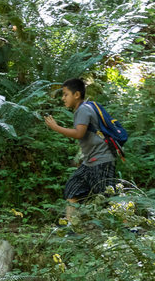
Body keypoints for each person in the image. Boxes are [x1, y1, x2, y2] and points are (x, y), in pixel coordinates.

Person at [44, 78, 116, 222]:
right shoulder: (84, 108)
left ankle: (131, 227)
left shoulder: (83, 109)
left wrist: (56, 127)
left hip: (101, 160)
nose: (63, 98)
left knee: (110, 196)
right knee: (73, 188)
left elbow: (79, 133)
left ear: (76, 95)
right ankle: (71, 226)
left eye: (65, 94)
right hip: (90, 161)